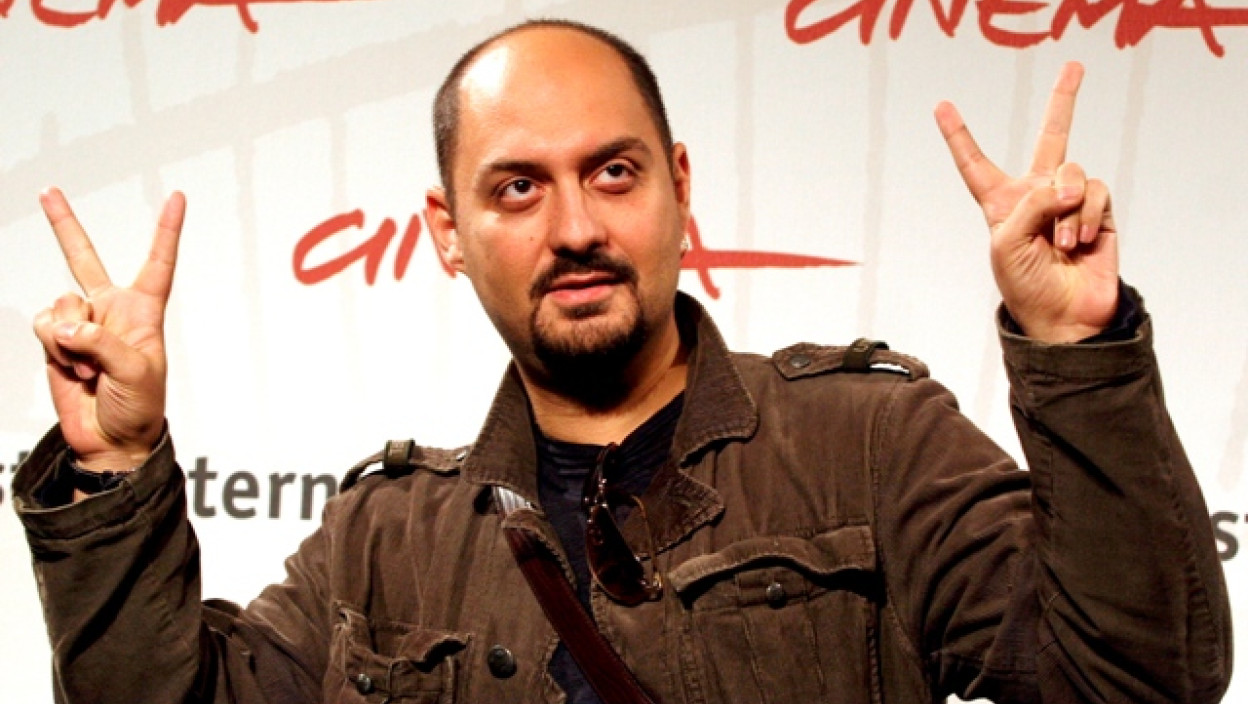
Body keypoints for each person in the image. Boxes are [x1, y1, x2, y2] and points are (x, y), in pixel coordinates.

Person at [13, 18, 1231, 704]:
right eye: (516, 188)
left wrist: (1078, 348)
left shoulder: (871, 444)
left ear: (678, 186)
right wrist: (117, 463)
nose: (576, 227)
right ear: (447, 231)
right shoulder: (382, 539)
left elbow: (1142, 680)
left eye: (612, 171)